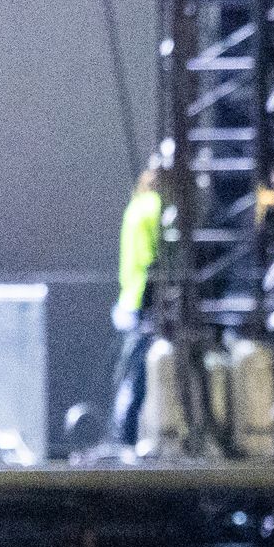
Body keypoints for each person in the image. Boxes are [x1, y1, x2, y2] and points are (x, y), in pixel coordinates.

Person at [105, 155, 169, 455]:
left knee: (133, 375)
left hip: (129, 299)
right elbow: (156, 258)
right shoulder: (156, 208)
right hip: (144, 302)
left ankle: (124, 438)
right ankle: (127, 439)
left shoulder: (136, 205)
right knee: (142, 377)